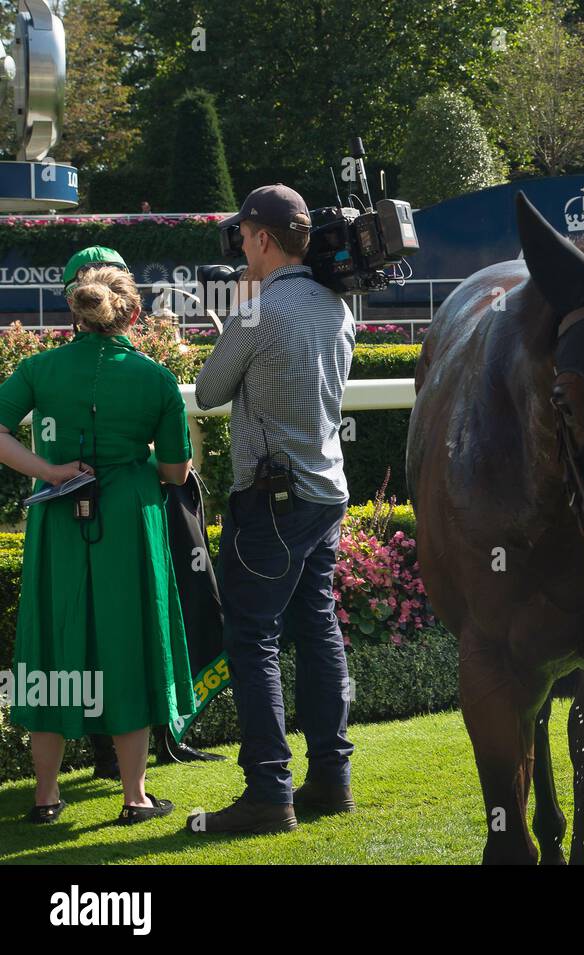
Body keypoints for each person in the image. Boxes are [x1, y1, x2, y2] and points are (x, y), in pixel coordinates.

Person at [0, 265, 195, 825]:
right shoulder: (156, 378)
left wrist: (50, 471)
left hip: (57, 516)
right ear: (132, 314)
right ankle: (135, 797)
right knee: (128, 640)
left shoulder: (38, 368)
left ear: (77, 315)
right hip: (129, 519)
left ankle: (45, 797)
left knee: (52, 642)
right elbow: (176, 472)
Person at [190, 184, 356, 835]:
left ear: (262, 238)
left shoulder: (258, 311)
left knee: (252, 637)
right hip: (326, 493)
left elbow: (208, 390)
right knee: (318, 628)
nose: (240, 247)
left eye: (243, 236)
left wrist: (236, 312)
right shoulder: (337, 304)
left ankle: (268, 792)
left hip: (271, 501)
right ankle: (331, 779)